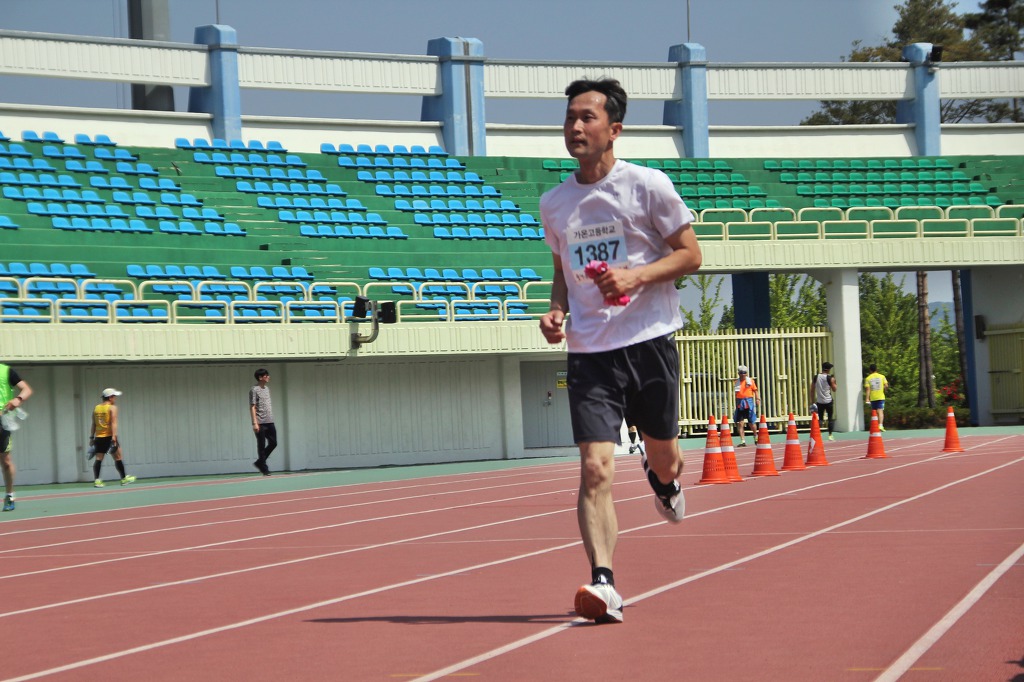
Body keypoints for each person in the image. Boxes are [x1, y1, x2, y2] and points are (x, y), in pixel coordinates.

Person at [538, 78, 702, 624]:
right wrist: (556, 310)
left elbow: (690, 255)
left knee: (665, 456)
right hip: (590, 351)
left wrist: (636, 275)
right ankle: (604, 583)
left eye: (587, 117)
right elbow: (562, 271)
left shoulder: (648, 186)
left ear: (614, 129)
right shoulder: (554, 203)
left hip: (648, 341)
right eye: (570, 118)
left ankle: (664, 481)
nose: (575, 127)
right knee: (595, 468)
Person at [0, 363, 32, 512]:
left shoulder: (6, 371)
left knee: (5, 461)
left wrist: (18, 399)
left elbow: (26, 389)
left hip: (3, 420)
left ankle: (9, 495)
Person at [90, 388, 136, 487]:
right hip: (109, 437)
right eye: (114, 396)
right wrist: (114, 437)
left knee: (98, 459)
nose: (115, 398)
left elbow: (94, 424)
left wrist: (91, 438)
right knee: (118, 457)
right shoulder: (112, 408)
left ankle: (97, 481)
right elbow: (113, 423)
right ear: (110, 397)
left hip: (99, 437)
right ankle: (124, 479)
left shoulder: (96, 408)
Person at [249, 368, 276, 476]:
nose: (268, 377)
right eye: (266, 375)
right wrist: (254, 423)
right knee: (261, 445)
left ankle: (260, 462)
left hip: (270, 421)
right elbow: (252, 406)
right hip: (260, 421)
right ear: (260, 377)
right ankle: (264, 468)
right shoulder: (254, 390)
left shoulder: (267, 389)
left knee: (273, 443)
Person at [810, 361, 838, 440]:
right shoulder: (830, 378)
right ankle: (830, 435)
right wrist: (834, 382)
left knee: (820, 419)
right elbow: (834, 389)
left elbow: (812, 390)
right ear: (828, 369)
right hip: (828, 400)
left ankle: (818, 434)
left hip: (820, 401)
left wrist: (812, 401)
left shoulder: (816, 377)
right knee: (830, 418)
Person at [733, 365, 759, 446]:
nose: (743, 374)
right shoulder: (736, 382)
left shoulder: (750, 381)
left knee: (751, 422)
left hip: (748, 402)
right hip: (740, 403)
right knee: (740, 422)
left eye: (744, 373)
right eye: (741, 373)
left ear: (746, 373)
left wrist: (757, 399)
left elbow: (755, 390)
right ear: (738, 373)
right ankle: (743, 441)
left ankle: (755, 436)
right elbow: (737, 394)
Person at [864, 363, 890, 431]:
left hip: (873, 398)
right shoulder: (882, 376)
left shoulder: (868, 378)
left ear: (870, 370)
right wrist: (884, 389)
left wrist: (867, 399)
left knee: (874, 412)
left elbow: (868, 389)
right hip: (881, 397)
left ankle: (875, 426)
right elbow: (886, 385)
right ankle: (880, 425)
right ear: (876, 369)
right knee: (880, 411)